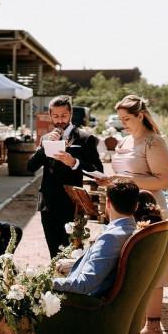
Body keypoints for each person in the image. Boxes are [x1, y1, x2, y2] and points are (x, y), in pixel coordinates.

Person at [95, 94, 168, 334]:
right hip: (123, 206)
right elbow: (124, 172)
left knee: (150, 262)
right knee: (125, 262)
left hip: (147, 205)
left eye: (127, 118)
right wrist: (111, 180)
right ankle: (131, 320)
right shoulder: (125, 141)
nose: (123, 123)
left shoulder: (153, 142)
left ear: (141, 115)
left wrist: (124, 181)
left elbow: (162, 181)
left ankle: (154, 327)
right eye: (120, 119)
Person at [27, 95, 103, 257]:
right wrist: (44, 147)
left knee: (71, 252)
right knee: (54, 253)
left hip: (72, 204)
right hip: (47, 202)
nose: (60, 120)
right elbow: (30, 167)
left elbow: (99, 170)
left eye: (63, 115)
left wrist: (75, 162)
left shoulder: (85, 138)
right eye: (55, 116)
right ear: (50, 115)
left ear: (70, 114)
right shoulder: (46, 138)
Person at [53, 180, 142, 297]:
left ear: (108, 203)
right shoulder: (134, 230)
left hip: (86, 305)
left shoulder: (111, 237)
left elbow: (83, 284)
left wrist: (47, 283)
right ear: (136, 206)